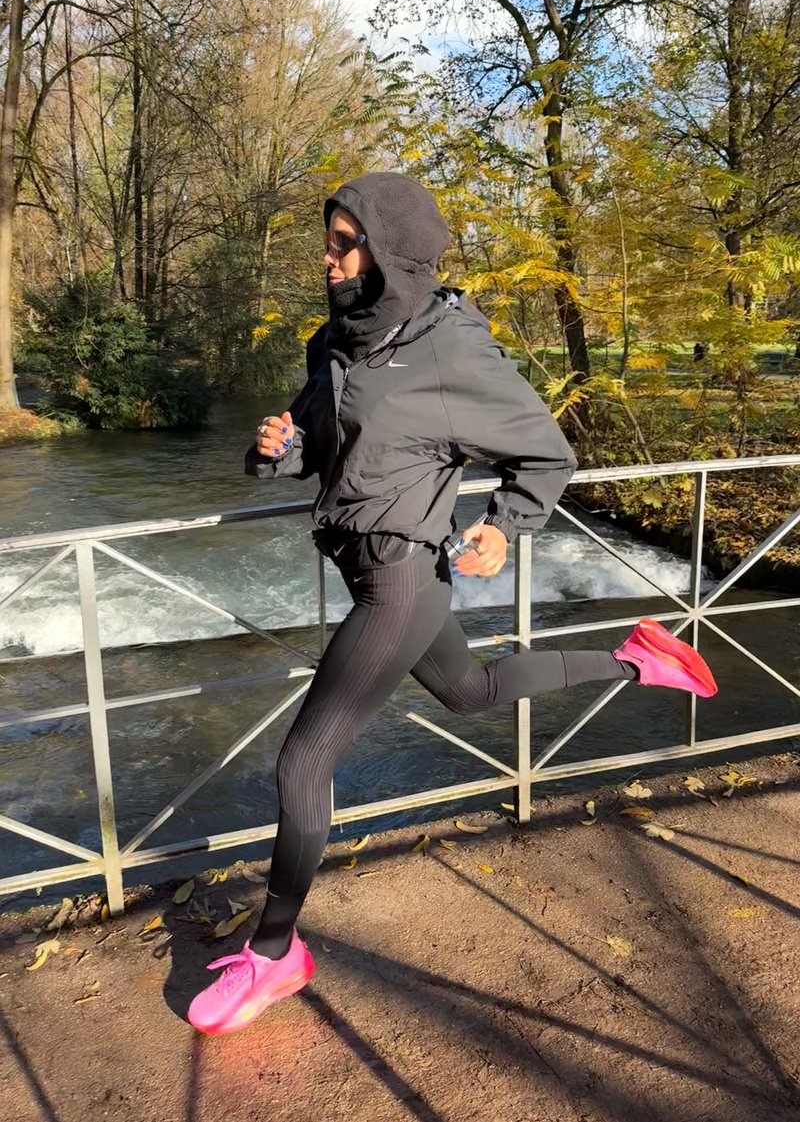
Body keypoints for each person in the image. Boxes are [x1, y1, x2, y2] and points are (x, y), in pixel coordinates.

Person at [187, 172, 717, 1035]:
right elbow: (322, 449)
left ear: (389, 251)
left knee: (302, 763)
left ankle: (277, 952)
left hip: (401, 578)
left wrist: (505, 526)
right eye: (327, 241)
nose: (326, 258)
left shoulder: (449, 345)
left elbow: (545, 453)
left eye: (343, 242)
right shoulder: (336, 340)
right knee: (470, 693)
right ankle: (637, 657)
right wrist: (277, 448)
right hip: (371, 569)